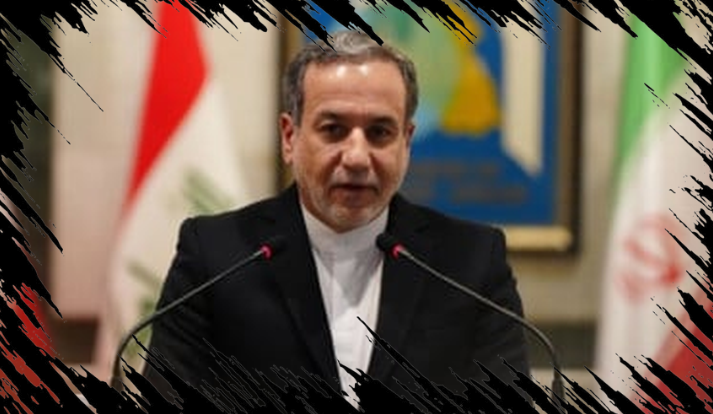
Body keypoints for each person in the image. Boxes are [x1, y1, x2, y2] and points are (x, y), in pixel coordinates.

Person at [143, 30, 529, 407]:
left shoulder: (471, 262)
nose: (357, 157)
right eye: (333, 130)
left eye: (380, 132)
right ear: (290, 137)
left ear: (406, 142)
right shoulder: (217, 256)